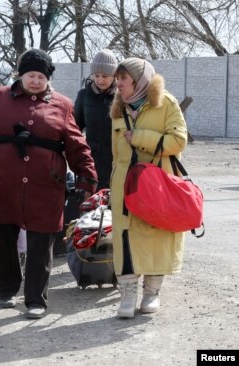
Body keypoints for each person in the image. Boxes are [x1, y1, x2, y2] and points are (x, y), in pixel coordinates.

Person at [0, 49, 97, 319]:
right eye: (30, 75)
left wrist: (86, 175)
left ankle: (36, 299)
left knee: (41, 243)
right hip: (1, 182)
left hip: (46, 184)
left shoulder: (63, 104)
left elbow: (75, 144)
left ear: (48, 79)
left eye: (41, 77)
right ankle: (8, 289)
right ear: (20, 75)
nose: (35, 81)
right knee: (4, 238)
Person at [109, 58, 187, 318]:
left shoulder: (166, 103)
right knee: (125, 239)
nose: (117, 83)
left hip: (157, 185)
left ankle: (152, 293)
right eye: (117, 78)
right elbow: (116, 154)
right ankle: (128, 295)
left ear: (139, 80)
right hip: (124, 186)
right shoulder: (118, 109)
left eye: (123, 78)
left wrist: (140, 138)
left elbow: (178, 141)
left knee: (156, 237)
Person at [74, 49, 118, 190]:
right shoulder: (83, 96)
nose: (100, 80)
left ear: (114, 76)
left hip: (117, 161)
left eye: (105, 76)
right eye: (96, 75)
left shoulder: (122, 98)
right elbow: (75, 128)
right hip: (91, 161)